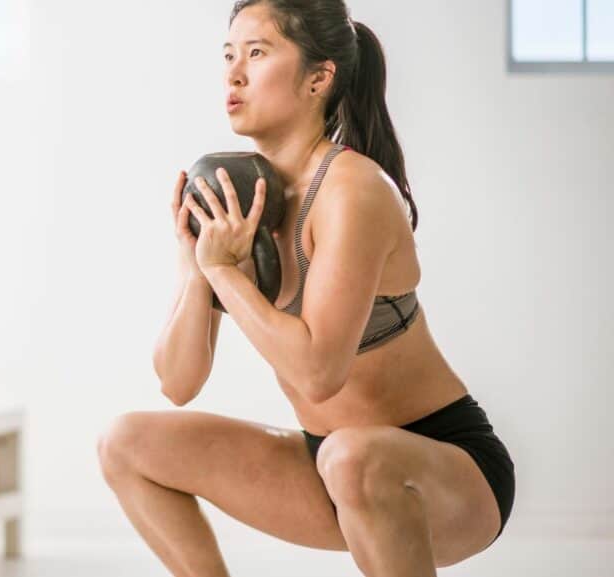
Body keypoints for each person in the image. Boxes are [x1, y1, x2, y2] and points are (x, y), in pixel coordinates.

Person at [96, 1, 515, 576]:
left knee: (352, 456)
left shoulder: (352, 190)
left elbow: (320, 374)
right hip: (330, 465)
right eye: (229, 55)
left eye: (258, 53)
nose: (234, 73)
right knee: (126, 442)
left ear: (319, 78)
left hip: (447, 468)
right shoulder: (232, 193)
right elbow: (177, 381)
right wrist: (198, 262)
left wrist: (224, 273)